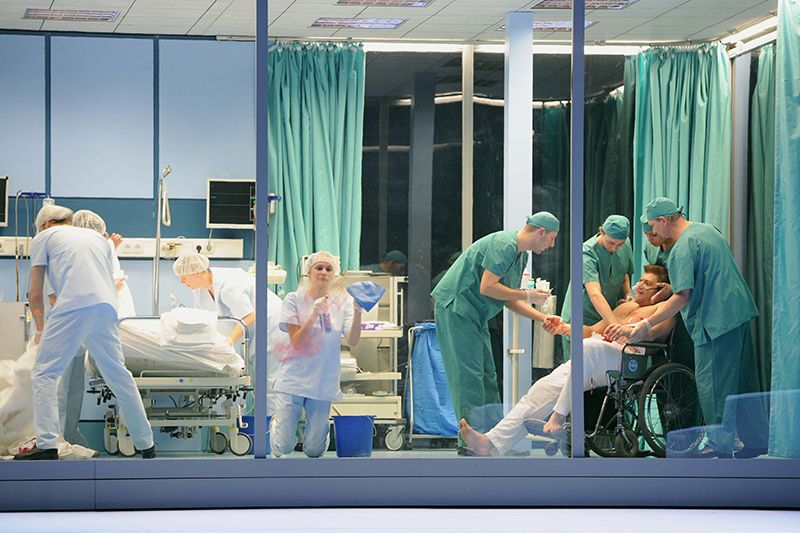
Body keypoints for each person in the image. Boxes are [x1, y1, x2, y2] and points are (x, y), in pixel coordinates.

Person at [605, 197, 767, 458]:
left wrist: (646, 324)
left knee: (714, 385)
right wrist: (671, 288)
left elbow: (683, 298)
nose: (653, 234)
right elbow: (707, 274)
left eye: (652, 228)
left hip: (715, 322)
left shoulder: (681, 248)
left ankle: (719, 444)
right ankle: (757, 439)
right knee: (744, 381)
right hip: (738, 313)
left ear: (663, 220)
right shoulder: (708, 231)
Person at [459, 265, 675, 456]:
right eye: (640, 281)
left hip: (626, 358)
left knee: (588, 347)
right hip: (594, 354)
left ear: (661, 289)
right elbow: (592, 330)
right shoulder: (624, 308)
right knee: (542, 388)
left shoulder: (663, 310)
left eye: (648, 283)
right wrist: (565, 328)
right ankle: (490, 442)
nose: (640, 286)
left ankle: (559, 415)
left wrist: (628, 330)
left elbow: (653, 334)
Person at [15, 205, 154, 460]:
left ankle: (47, 444)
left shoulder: (43, 238)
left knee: (44, 374)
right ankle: (146, 443)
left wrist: (40, 329)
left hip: (72, 307)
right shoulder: (98, 240)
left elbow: (36, 293)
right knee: (119, 376)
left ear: (45, 224)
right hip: (105, 309)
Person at [431, 212, 560, 453]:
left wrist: (543, 317)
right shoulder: (504, 244)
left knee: (488, 376)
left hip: (475, 314)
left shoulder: (520, 255)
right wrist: (528, 295)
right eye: (552, 238)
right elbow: (488, 287)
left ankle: (494, 440)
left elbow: (507, 298)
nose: (552, 245)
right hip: (457, 308)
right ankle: (470, 442)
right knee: (469, 377)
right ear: (541, 232)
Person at [54, 209, 133, 450]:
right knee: (63, 385)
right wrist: (111, 285)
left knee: (72, 385)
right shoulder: (73, 250)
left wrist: (111, 249)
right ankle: (57, 438)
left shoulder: (96, 249)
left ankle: (67, 434)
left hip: (83, 321)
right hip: (74, 322)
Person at [271, 251, 362, 457]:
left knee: (313, 450)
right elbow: (297, 342)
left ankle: (320, 437)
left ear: (334, 274)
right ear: (308, 272)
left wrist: (358, 312)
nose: (323, 272)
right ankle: (276, 425)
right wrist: (313, 315)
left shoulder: (343, 304)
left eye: (328, 269)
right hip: (294, 378)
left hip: (323, 379)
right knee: (284, 447)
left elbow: (353, 340)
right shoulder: (293, 300)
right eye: (318, 268)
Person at [560, 215, 634, 359]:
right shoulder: (586, 252)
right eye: (611, 243)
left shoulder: (625, 244)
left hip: (607, 315)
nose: (615, 248)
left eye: (619, 244)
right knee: (579, 365)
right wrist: (616, 327)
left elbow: (623, 272)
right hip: (583, 315)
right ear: (601, 231)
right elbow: (595, 294)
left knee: (604, 366)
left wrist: (628, 294)